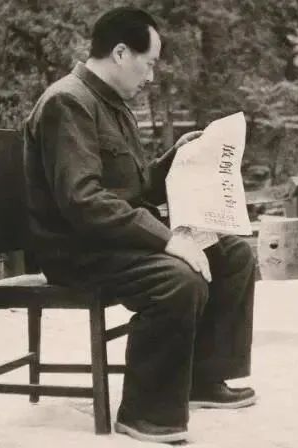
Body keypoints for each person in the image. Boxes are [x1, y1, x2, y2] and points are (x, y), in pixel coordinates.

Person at [23, 6, 256, 444]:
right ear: (120, 53)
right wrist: (168, 240)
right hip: (76, 250)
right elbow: (83, 201)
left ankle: (203, 380)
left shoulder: (113, 105)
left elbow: (135, 187)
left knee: (234, 254)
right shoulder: (67, 102)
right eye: (148, 64)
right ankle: (145, 413)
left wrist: (179, 156)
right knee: (177, 278)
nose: (151, 76)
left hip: (115, 240)